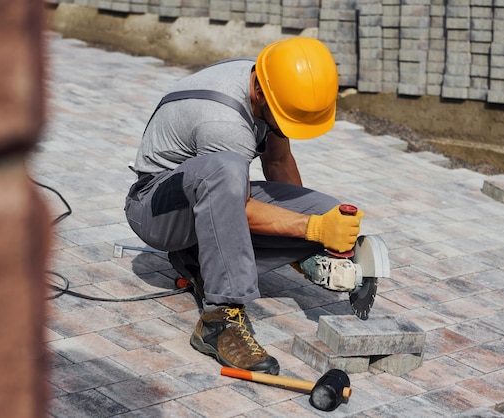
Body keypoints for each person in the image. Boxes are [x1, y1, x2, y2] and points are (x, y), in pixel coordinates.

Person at [124, 37, 364, 375]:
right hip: (155, 208)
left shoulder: (269, 80)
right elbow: (239, 204)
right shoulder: (222, 121)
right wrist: (312, 231)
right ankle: (219, 321)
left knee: (326, 210)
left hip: (203, 196)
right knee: (228, 171)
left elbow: (279, 162)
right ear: (262, 94)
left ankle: (197, 260)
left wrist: (313, 234)